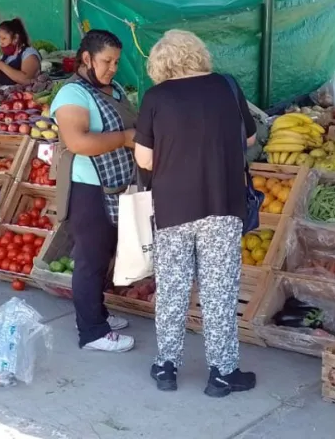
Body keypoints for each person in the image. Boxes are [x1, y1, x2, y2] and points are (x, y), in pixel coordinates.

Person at [134, 30, 258, 396]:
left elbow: (144, 159)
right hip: (222, 204)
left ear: (161, 63)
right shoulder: (227, 87)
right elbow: (250, 139)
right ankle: (222, 373)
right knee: (219, 291)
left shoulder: (156, 97)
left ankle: (166, 367)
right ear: (198, 53)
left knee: (172, 289)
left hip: (172, 206)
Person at [50, 29, 136, 353]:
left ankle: (96, 313)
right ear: (86, 58)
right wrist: (125, 139)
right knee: (90, 258)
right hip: (87, 188)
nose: (113, 68)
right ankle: (91, 332)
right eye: (106, 61)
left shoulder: (114, 90)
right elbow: (78, 142)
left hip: (115, 187)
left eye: (116, 62)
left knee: (104, 254)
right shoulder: (72, 94)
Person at [0, 18, 41, 86]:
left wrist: (0, 65)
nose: (0, 43)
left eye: (4, 38)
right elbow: (0, 74)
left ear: (16, 38)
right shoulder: (6, 56)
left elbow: (27, 79)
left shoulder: (29, 54)